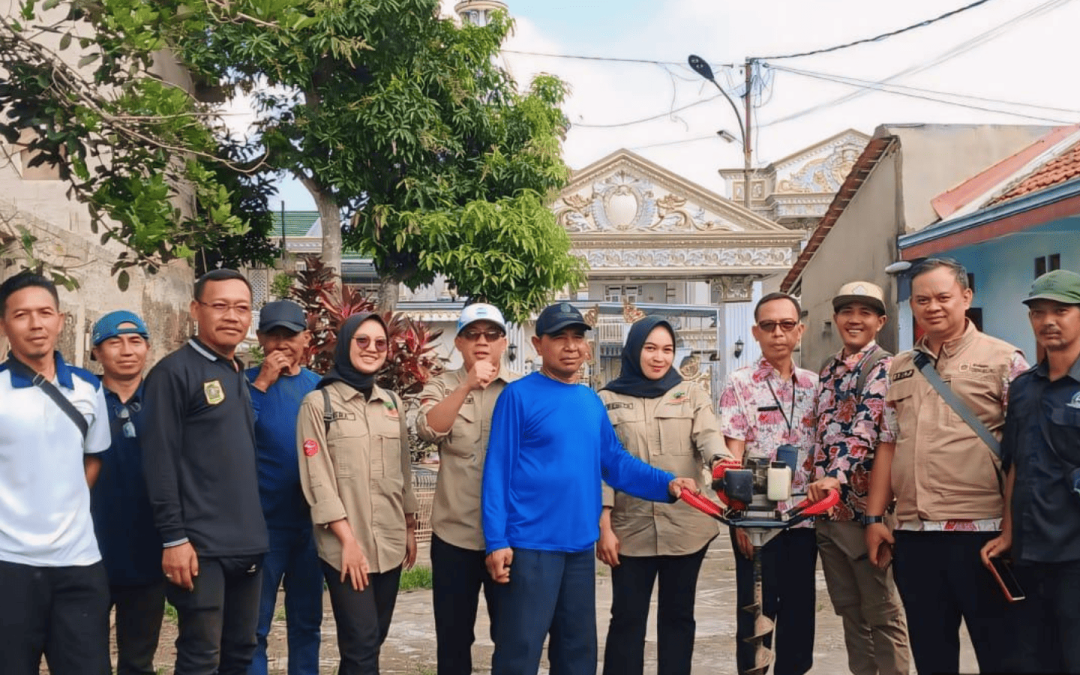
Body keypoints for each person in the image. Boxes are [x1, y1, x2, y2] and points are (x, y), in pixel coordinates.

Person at [482, 302, 699, 675]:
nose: (570, 346)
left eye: (577, 337)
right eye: (559, 338)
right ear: (538, 344)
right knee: (520, 653)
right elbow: (497, 471)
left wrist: (668, 483)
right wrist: (497, 541)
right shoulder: (518, 397)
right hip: (531, 546)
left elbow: (614, 462)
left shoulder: (588, 400)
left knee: (577, 654)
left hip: (579, 549)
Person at [863, 258, 1028, 675]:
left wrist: (1010, 529)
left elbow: (1022, 455)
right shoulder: (899, 367)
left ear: (966, 297)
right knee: (932, 655)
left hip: (983, 537)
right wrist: (875, 517)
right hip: (914, 538)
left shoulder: (1005, 361)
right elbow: (887, 442)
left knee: (1001, 655)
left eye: (942, 297)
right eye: (922, 300)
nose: (932, 307)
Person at [141, 268, 270, 675]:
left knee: (240, 652)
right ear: (196, 309)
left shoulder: (235, 371)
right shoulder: (173, 373)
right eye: (220, 306)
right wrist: (174, 537)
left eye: (242, 308)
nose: (232, 316)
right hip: (199, 548)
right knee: (200, 656)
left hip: (247, 543)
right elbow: (158, 461)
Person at [596, 316, 734, 675]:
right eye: (650, 348)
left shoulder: (691, 394)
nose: (659, 357)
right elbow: (603, 466)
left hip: (686, 528)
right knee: (626, 618)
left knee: (677, 617)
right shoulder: (606, 399)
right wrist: (604, 523)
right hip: (630, 531)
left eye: (667, 349)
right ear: (634, 349)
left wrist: (722, 463)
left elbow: (708, 437)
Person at [0, 272, 112, 675]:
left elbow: (93, 456)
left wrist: (64, 502)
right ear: (3, 325)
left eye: (45, 312)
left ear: (61, 320)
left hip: (79, 565)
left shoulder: (87, 388)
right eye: (22, 315)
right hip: (8, 565)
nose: (36, 324)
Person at [296, 312, 419, 675]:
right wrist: (347, 541)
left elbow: (403, 471)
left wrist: (410, 527)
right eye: (362, 341)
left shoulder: (392, 403)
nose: (371, 349)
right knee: (361, 641)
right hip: (346, 547)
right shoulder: (319, 405)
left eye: (380, 343)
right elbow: (317, 479)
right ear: (345, 344)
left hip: (391, 542)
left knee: (371, 641)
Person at [804, 283, 909, 675]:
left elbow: (867, 429)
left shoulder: (886, 366)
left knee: (882, 611)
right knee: (849, 611)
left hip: (868, 513)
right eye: (847, 311)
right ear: (836, 318)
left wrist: (835, 477)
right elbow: (818, 432)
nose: (855, 319)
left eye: (865, 312)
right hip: (829, 514)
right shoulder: (829, 368)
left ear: (880, 322)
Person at [981, 269, 1080, 673]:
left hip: (1076, 554)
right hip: (1029, 552)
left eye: (1061, 310)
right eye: (1038, 312)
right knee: (1033, 659)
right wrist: (1008, 532)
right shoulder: (1023, 387)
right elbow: (1015, 463)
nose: (1048, 321)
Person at [716, 291, 819, 675]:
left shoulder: (814, 385)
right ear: (756, 332)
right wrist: (739, 517)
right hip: (756, 518)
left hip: (802, 517)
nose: (779, 333)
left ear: (800, 332)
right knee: (756, 613)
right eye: (769, 326)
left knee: (799, 612)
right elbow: (732, 455)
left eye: (787, 325)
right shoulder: (739, 383)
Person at [415, 303, 519, 675]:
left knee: (511, 639)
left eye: (491, 334)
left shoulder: (521, 389)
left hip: (509, 538)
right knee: (454, 640)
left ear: (504, 341)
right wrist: (467, 385)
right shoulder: (442, 385)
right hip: (454, 535)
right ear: (458, 342)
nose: (482, 342)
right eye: (472, 334)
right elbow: (427, 429)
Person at [246, 300, 323, 675]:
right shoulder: (242, 381)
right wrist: (262, 382)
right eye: (272, 335)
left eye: (289, 336)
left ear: (306, 339)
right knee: (254, 626)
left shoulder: (320, 388)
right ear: (260, 338)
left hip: (311, 526)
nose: (280, 344)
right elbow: (233, 438)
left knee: (306, 623)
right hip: (262, 526)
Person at [88, 311, 166, 675]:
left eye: (135, 341)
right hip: (87, 555)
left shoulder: (164, 404)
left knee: (138, 661)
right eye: (113, 342)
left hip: (148, 554)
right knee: (85, 659)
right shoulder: (80, 403)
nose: (126, 350)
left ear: (148, 348)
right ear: (96, 352)